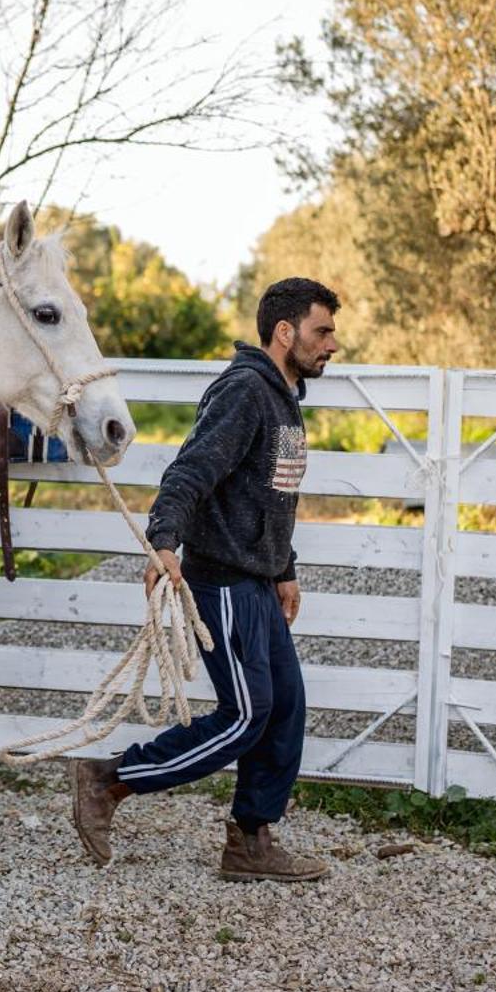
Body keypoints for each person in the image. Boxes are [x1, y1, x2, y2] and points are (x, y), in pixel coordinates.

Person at [70, 277, 341, 881]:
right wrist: (163, 541)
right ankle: (108, 779)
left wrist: (285, 570)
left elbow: (271, 494)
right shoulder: (245, 390)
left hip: (259, 582)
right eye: (322, 331)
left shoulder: (284, 396)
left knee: (285, 708)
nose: (332, 344)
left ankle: (250, 843)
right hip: (221, 583)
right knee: (246, 716)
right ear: (285, 331)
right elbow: (190, 470)